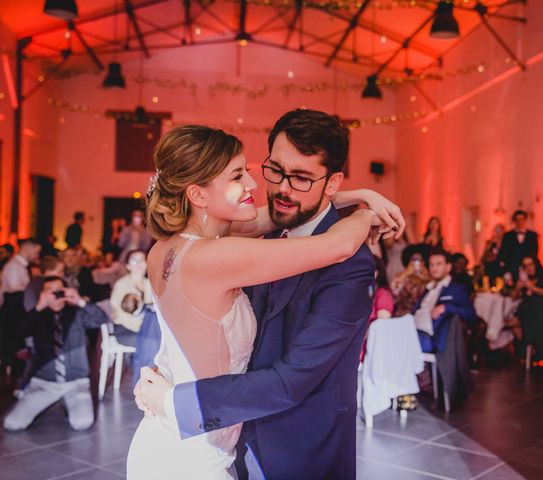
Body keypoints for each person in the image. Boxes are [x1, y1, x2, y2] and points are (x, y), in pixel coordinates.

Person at [129, 115, 404, 479]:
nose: (262, 185)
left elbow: (291, 377)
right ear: (198, 193)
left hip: (285, 449)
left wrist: (351, 198)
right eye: (272, 170)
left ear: (331, 181)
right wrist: (364, 213)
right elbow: (335, 244)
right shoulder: (222, 253)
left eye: (301, 177)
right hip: (198, 444)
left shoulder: (170, 247)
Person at [2, 277, 107, 431]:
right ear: (42, 295)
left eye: (59, 291)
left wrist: (79, 300)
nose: (55, 295)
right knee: (12, 424)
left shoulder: (77, 313)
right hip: (44, 383)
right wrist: (39, 306)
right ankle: (53, 400)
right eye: (49, 291)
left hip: (75, 382)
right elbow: (18, 333)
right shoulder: (37, 316)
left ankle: (67, 401)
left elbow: (101, 318)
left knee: (82, 423)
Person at [412, 250, 476, 354]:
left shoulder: (456, 289)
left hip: (429, 337)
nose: (434, 268)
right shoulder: (427, 288)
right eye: (431, 264)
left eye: (438, 264)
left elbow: (471, 314)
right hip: (412, 329)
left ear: (448, 267)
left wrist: (446, 308)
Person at [0, 238, 41, 376]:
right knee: (11, 341)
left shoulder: (22, 266)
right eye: (36, 252)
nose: (37, 256)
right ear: (28, 249)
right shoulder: (13, 267)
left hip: (17, 309)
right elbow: (13, 292)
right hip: (13, 311)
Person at [510, 255, 543, 362]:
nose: (529, 268)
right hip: (527, 311)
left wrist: (532, 288)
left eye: (531, 264)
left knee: (527, 315)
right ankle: (529, 348)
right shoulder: (524, 280)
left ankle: (532, 349)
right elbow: (513, 297)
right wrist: (518, 288)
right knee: (513, 323)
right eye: (525, 266)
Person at [109, 250, 153, 348]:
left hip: (145, 328)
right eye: (134, 260)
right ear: (128, 266)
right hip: (125, 329)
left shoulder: (149, 284)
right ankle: (142, 363)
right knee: (152, 341)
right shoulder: (121, 285)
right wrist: (144, 327)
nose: (138, 263)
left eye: (142, 260)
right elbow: (121, 315)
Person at [499, 210, 539, 283]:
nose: (520, 222)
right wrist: (506, 271)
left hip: (527, 269)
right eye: (517, 219)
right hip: (512, 269)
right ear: (514, 221)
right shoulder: (507, 236)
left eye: (522, 219)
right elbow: (503, 253)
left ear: (525, 220)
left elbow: (534, 253)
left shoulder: (532, 235)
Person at [392, 244, 429, 316]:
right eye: (414, 259)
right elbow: (394, 291)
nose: (416, 263)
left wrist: (425, 276)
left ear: (424, 262)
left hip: (421, 312)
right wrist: (406, 273)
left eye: (420, 260)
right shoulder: (401, 275)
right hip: (402, 313)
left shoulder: (427, 276)